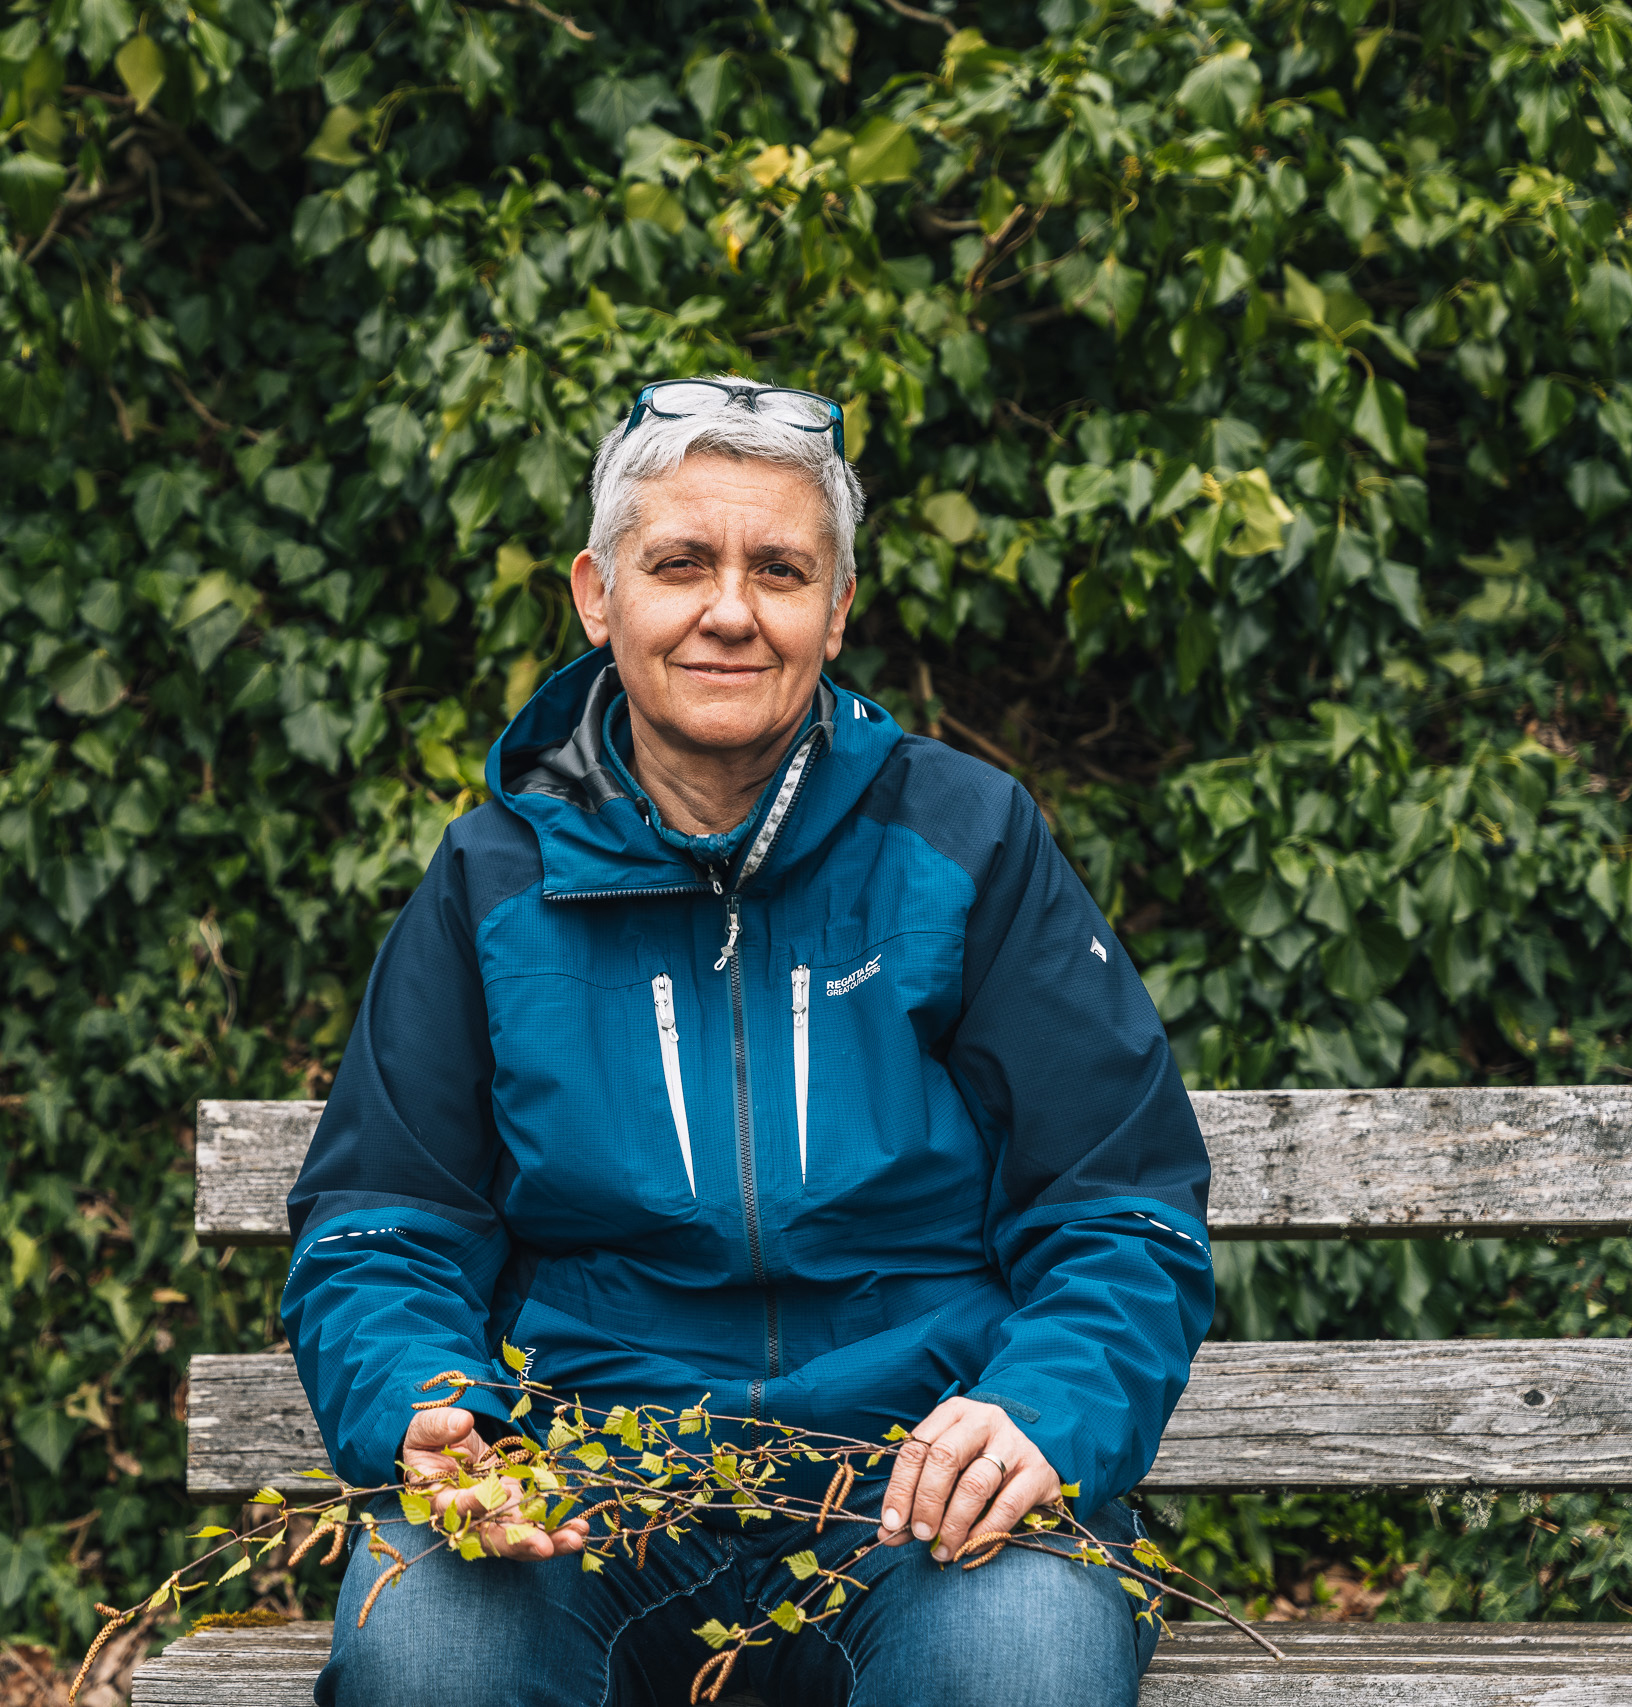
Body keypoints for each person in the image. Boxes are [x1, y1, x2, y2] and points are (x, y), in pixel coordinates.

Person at [279, 378, 1214, 1705]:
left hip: (918, 1502)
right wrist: (431, 1404)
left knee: (1019, 1672)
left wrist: (1043, 1413)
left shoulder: (968, 841)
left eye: (780, 569)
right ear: (599, 597)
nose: (730, 610)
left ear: (836, 611)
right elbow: (383, 1221)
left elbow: (1118, 1208)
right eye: (680, 564)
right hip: (584, 1496)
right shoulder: (494, 879)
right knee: (430, 1656)